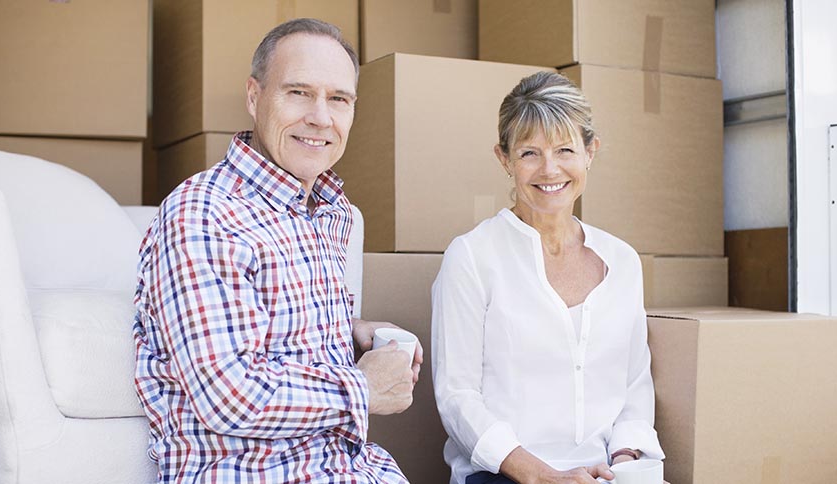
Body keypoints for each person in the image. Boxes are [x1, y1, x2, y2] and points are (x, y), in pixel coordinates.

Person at [133, 18, 421, 483]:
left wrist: (352, 330)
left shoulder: (333, 212)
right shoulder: (204, 212)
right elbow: (229, 394)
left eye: (339, 99)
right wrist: (363, 388)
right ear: (253, 96)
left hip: (355, 468)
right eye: (298, 92)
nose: (321, 118)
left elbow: (270, 326)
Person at [431, 71, 666, 484]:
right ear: (504, 159)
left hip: (602, 473)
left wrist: (627, 461)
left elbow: (634, 384)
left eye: (564, 149)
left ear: (590, 152)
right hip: (504, 474)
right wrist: (543, 477)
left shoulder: (623, 261)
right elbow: (457, 397)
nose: (549, 169)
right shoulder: (471, 256)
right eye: (529, 154)